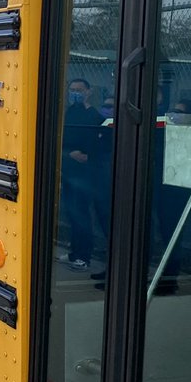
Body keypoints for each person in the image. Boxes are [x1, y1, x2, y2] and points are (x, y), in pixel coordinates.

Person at [59, 77, 108, 271]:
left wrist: (82, 155)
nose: (75, 93)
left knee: (81, 215)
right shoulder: (69, 113)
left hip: (85, 174)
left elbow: (98, 146)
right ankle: (74, 252)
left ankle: (83, 256)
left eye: (79, 90)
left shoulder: (95, 117)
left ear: (89, 91)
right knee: (71, 213)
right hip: (68, 171)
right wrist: (68, 153)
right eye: (72, 89)